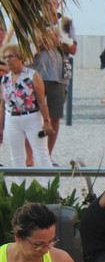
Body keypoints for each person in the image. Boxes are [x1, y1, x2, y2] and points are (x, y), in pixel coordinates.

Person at [0, 43, 54, 183]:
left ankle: (49, 187)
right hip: (12, 119)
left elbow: (41, 101)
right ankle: (20, 188)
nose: (8, 60)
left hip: (32, 117)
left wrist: (46, 121)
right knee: (16, 157)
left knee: (41, 154)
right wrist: (1, 128)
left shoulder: (32, 75)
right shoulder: (5, 79)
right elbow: (2, 105)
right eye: (5, 57)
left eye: (11, 56)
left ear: (20, 57)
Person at [34, 0, 77, 157]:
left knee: (55, 116)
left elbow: (73, 49)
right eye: (46, 4)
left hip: (59, 74)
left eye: (53, 3)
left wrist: (58, 41)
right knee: (32, 116)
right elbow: (29, 48)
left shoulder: (66, 22)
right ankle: (32, 155)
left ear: (58, 5)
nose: (50, 7)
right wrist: (44, 44)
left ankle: (47, 155)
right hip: (37, 73)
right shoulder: (35, 22)